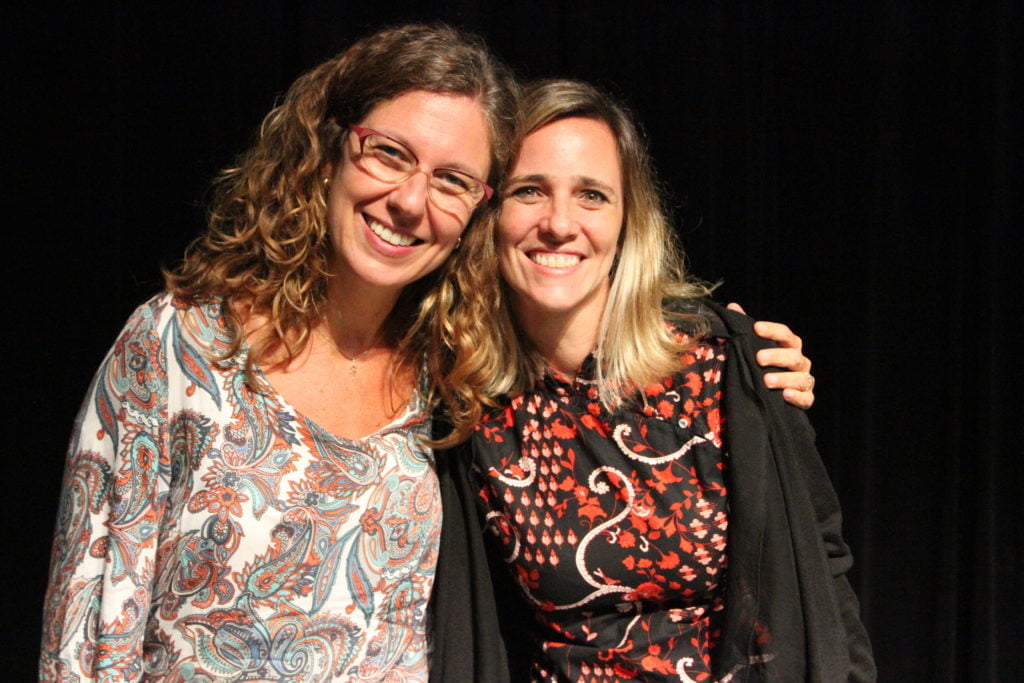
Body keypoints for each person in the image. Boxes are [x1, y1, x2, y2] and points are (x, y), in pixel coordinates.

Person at [40, 24, 815, 682]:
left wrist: (737, 350)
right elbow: (85, 627)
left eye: (451, 179)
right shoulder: (179, 345)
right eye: (389, 154)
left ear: (475, 208)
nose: (412, 201)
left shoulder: (447, 380)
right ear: (331, 147)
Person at [430, 80, 875, 681]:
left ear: (627, 220)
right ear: (490, 211)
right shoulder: (467, 398)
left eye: (592, 195)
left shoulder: (726, 364)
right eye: (529, 191)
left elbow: (821, 559)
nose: (560, 223)